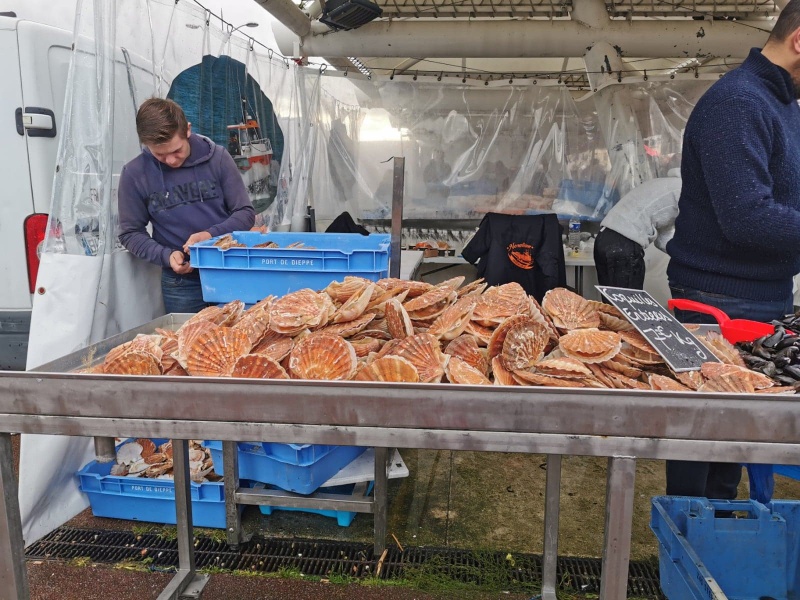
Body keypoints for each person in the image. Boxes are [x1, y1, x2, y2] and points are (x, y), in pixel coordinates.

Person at [665, 2, 800, 501]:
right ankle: (688, 554)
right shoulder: (738, 103)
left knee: (734, 445)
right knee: (704, 439)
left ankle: (717, 550)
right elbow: (748, 218)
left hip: (764, 297)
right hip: (718, 300)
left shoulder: (783, 105)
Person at [118, 98, 255, 314]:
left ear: (187, 130)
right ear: (146, 144)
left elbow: (245, 213)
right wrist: (166, 255)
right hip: (181, 283)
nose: (171, 160)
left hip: (231, 269)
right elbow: (130, 233)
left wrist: (210, 236)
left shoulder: (218, 158)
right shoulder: (134, 174)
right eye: (160, 155)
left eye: (177, 150)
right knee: (188, 344)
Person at [594, 157, 681, 290]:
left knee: (611, 305)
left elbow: (664, 239)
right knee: (628, 304)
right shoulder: (684, 190)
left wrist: (680, 255)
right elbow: (690, 230)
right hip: (623, 243)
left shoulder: (666, 185)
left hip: (603, 238)